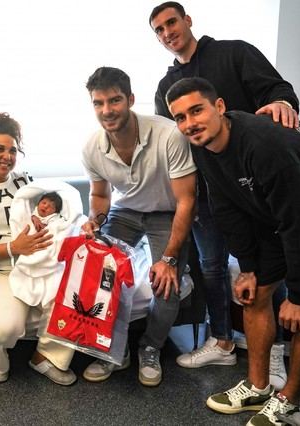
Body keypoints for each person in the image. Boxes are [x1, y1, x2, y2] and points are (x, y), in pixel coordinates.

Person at [149, 1, 299, 381]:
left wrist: (281, 104)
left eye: (172, 22)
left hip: (255, 187)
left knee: (267, 270)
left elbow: (278, 90)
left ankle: (275, 350)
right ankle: (222, 342)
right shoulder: (166, 87)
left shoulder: (235, 53)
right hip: (207, 191)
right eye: (159, 29)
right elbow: (173, 146)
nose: (168, 32)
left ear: (187, 20)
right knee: (212, 269)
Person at [166, 77, 300, 426]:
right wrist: (249, 267)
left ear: (219, 106)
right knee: (253, 295)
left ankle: (290, 399)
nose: (189, 123)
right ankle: (259, 387)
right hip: (279, 213)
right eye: (180, 117)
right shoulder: (202, 145)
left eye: (197, 110)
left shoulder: (267, 147)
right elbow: (227, 206)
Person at [80, 67, 196, 387]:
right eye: (98, 103)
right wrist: (95, 221)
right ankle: (113, 350)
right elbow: (101, 195)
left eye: (115, 100)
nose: (107, 110)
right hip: (125, 210)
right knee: (102, 274)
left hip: (166, 213)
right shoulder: (92, 147)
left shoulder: (169, 135)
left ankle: (150, 348)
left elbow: (187, 200)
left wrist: (169, 259)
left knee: (166, 284)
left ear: (130, 99)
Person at [0, 112, 77, 385]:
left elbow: (53, 212)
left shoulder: (26, 182)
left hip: (36, 263)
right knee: (2, 330)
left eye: (13, 150)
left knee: (72, 296)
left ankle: (45, 357)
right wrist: (13, 248)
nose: (6, 156)